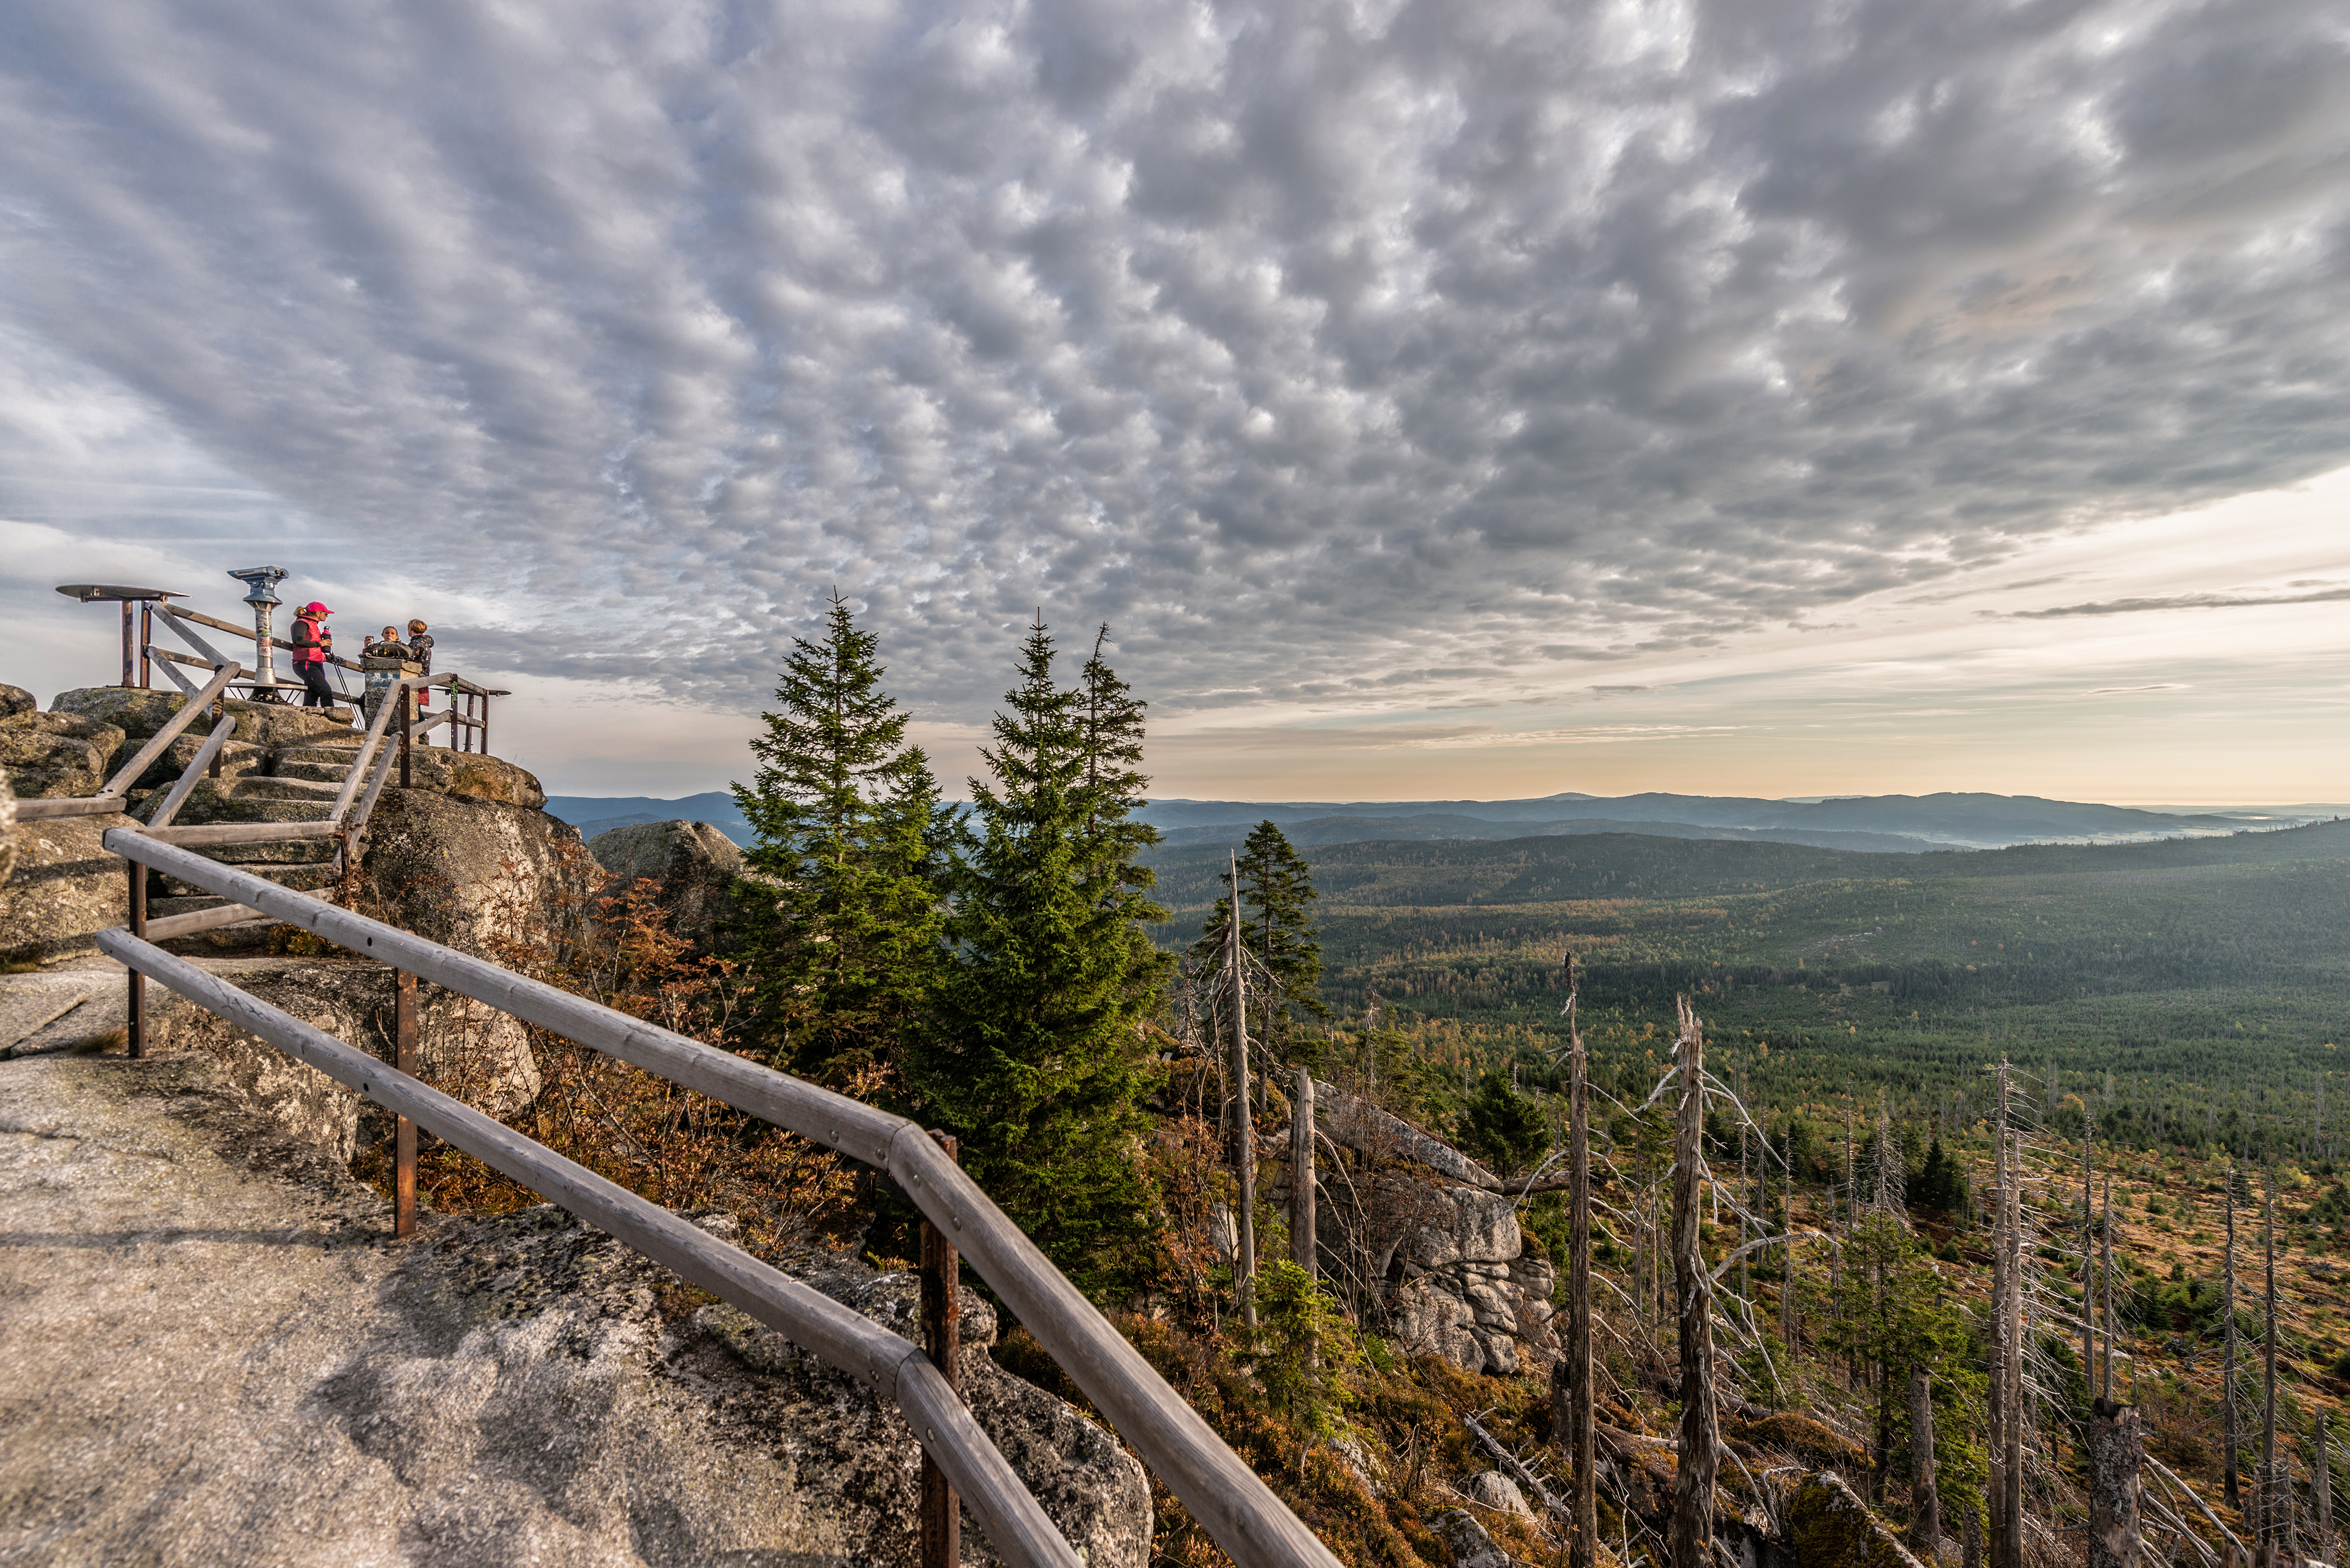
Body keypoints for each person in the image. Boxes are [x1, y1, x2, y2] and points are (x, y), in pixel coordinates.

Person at [290, 601, 337, 708]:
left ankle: (310, 717)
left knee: (312, 694)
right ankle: (332, 718)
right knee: (326, 691)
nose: (327, 616)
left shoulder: (311, 623)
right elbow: (298, 640)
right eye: (326, 613)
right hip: (306, 663)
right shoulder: (301, 623)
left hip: (314, 664)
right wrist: (320, 644)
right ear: (318, 613)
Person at [407, 618, 434, 708]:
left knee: (414, 707)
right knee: (416, 707)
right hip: (424, 679)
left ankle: (425, 722)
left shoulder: (415, 644)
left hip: (416, 679)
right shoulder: (425, 644)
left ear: (410, 629)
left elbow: (409, 660)